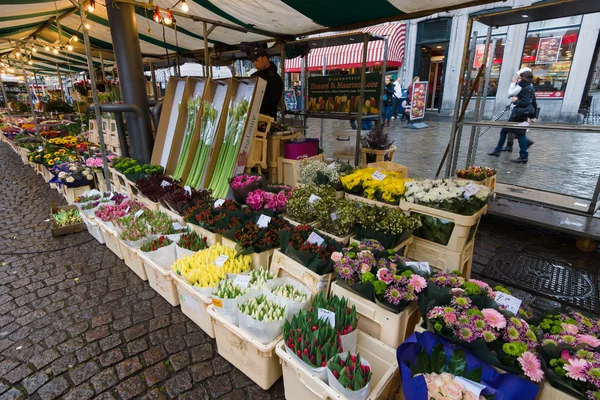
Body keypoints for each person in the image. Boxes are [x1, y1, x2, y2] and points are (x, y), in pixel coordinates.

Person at [488, 69, 537, 163]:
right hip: (525, 112)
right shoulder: (530, 86)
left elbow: (524, 101)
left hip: (519, 112)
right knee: (521, 134)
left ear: (524, 78)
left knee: (505, 131)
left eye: (520, 78)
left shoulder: (525, 87)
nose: (519, 80)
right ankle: (523, 155)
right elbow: (533, 102)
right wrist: (532, 116)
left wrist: (516, 100)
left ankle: (498, 151)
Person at [250, 48, 283, 118]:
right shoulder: (253, 77)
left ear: (264, 59)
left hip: (267, 119)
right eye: (253, 61)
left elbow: (273, 101)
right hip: (251, 117)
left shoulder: (275, 78)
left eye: (256, 60)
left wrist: (254, 98)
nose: (254, 64)